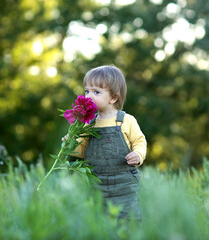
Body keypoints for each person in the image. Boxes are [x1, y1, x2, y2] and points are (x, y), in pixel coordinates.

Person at [63, 65, 147, 222]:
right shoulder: (87, 124)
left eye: (96, 92)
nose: (88, 96)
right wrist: (69, 143)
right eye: (86, 91)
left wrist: (138, 154)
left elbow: (139, 141)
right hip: (96, 185)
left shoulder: (126, 120)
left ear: (113, 98)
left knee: (128, 221)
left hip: (124, 187)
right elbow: (79, 152)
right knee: (98, 221)